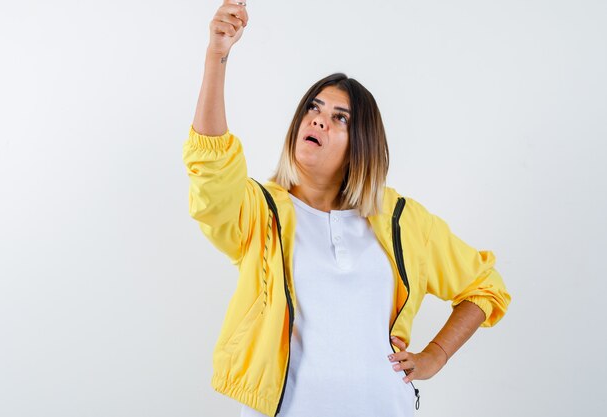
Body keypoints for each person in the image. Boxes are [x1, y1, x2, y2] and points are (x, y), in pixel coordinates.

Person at [182, 1, 511, 416]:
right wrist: (217, 56)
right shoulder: (260, 212)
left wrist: (435, 356)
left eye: (340, 118)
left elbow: (484, 286)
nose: (318, 120)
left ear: (362, 145)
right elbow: (211, 170)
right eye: (313, 108)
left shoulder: (400, 220)